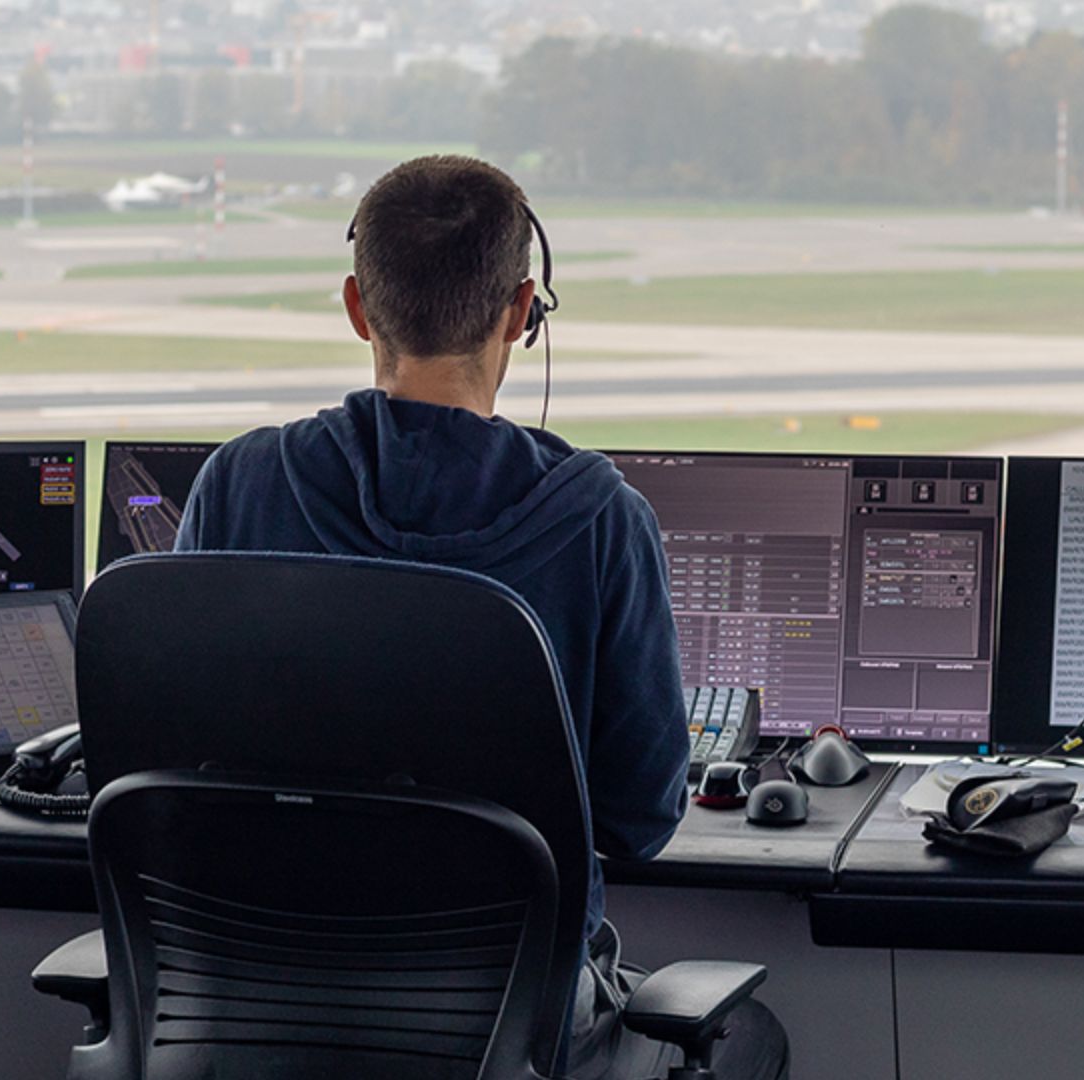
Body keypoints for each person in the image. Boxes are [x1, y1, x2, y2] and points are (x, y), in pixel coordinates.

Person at [174, 155, 787, 1079]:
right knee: (755, 1043)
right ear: (520, 313)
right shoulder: (601, 519)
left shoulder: (236, 486)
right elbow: (636, 820)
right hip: (515, 1026)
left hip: (252, 1009)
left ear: (356, 307)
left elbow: (174, 765)